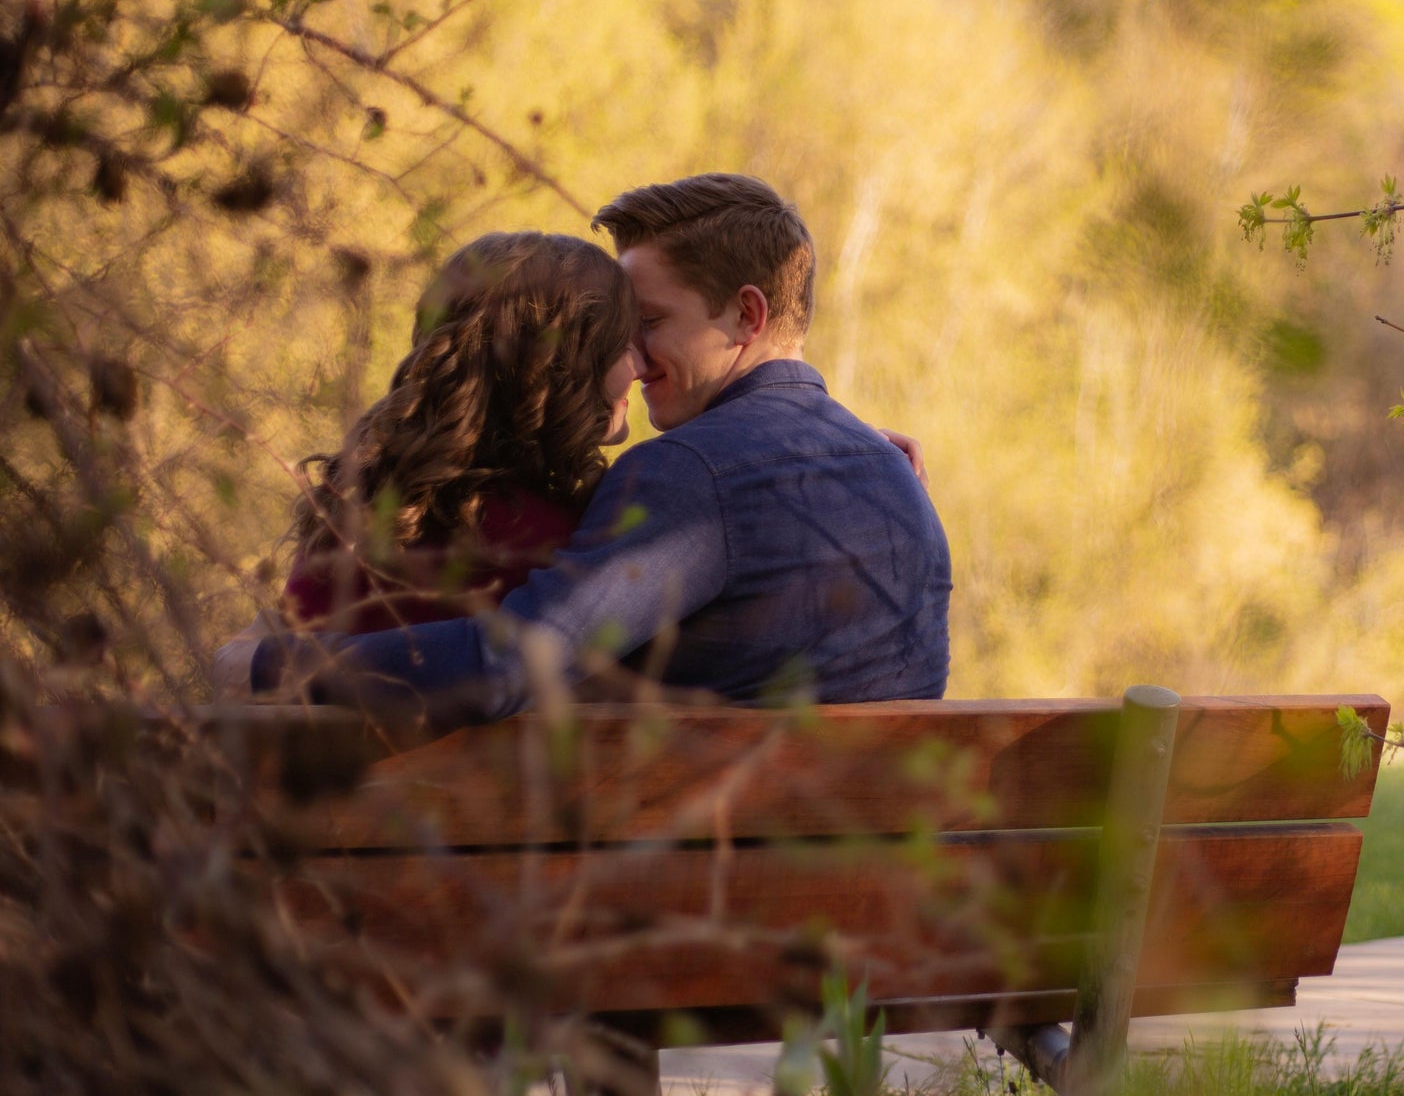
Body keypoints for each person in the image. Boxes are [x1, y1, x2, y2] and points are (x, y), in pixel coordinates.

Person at [250, 173, 951, 720]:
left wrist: (265, 664)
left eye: (650, 321)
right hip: (888, 855)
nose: (634, 358)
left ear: (747, 314)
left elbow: (509, 666)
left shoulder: (688, 476)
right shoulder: (894, 480)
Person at [211, 230, 641, 689]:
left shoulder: (352, 502)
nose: (639, 366)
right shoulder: (554, 541)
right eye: (622, 344)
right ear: (560, 367)